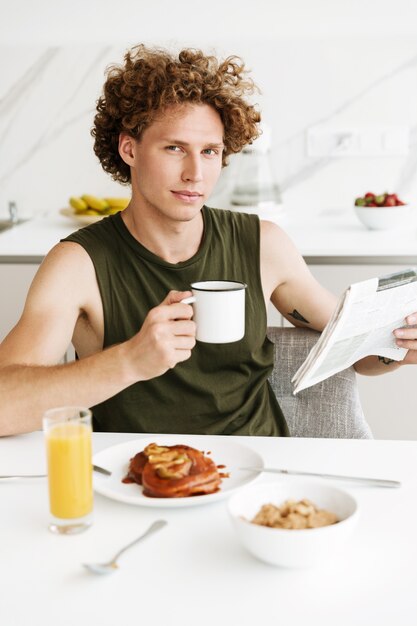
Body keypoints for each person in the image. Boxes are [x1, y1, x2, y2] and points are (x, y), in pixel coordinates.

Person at [0, 44, 416, 437]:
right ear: (129, 148)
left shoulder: (263, 244)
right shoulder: (78, 264)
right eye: (174, 148)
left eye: (211, 152)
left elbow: (356, 351)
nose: (195, 174)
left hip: (260, 478)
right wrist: (130, 360)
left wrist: (398, 348)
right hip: (139, 485)